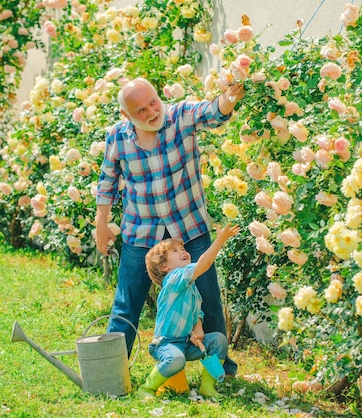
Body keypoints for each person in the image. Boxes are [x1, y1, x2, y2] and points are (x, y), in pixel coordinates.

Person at [95, 77, 245, 377]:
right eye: (140, 110)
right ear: (126, 116)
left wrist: (228, 99)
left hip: (188, 228)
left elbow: (213, 112)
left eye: (153, 102)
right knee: (126, 304)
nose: (152, 112)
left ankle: (219, 372)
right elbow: (107, 181)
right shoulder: (118, 137)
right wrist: (102, 223)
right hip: (142, 232)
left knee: (210, 301)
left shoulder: (180, 116)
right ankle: (108, 374)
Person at [138, 223, 240, 400]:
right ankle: (147, 388)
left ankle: (207, 387)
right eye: (175, 251)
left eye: (182, 248)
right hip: (166, 344)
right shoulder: (173, 279)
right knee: (177, 359)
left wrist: (198, 329)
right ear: (164, 267)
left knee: (218, 340)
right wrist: (220, 240)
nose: (183, 251)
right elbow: (204, 264)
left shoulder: (190, 287)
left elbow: (197, 312)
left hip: (186, 343)